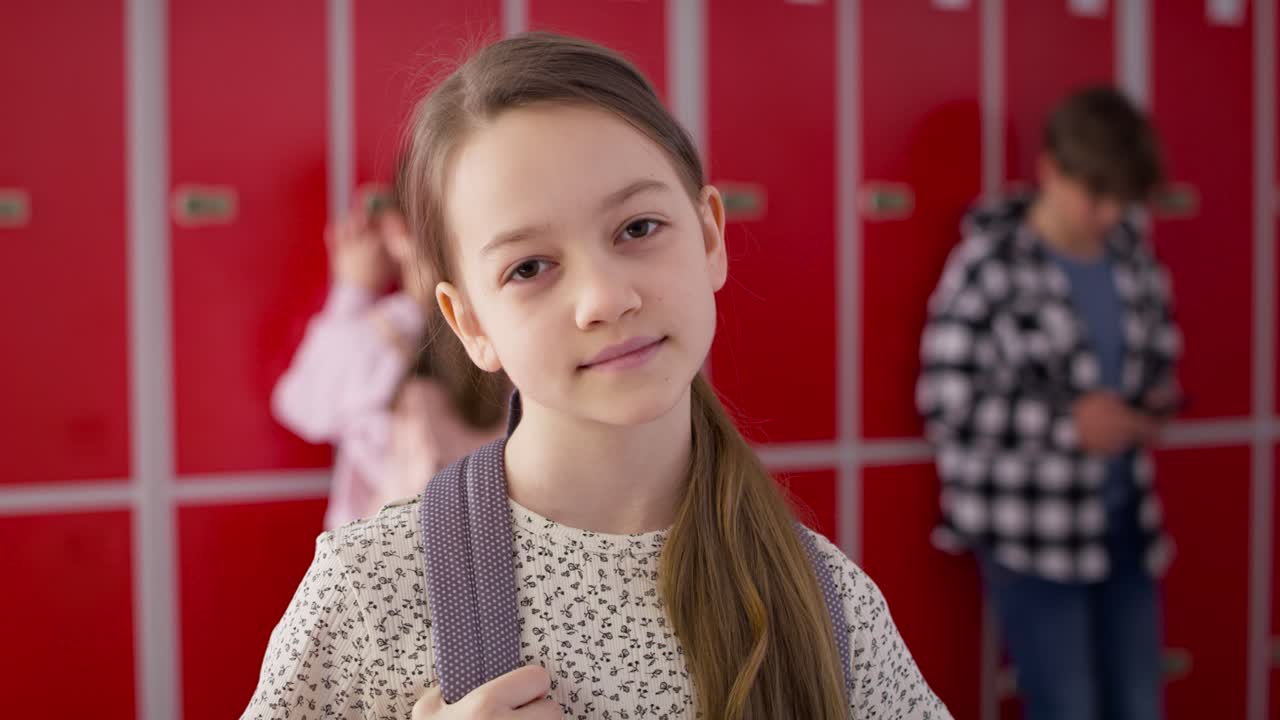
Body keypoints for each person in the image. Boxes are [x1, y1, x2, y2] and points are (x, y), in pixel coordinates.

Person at [244, 32, 949, 719]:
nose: (605, 299)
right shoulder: (372, 594)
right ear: (471, 324)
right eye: (529, 267)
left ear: (709, 236)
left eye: (637, 228)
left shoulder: (830, 604)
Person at [917, 86, 1182, 720]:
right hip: (1032, 534)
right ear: (1051, 171)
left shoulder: (1131, 258)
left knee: (1140, 703)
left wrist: (1151, 403)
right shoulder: (989, 264)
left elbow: (1158, 351)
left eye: (1123, 199)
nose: (1110, 214)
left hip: (1123, 523)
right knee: (1068, 706)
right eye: (1096, 195)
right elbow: (947, 401)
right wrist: (1069, 427)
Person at [272, 176, 506, 529]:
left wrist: (352, 290)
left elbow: (300, 405)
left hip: (387, 555)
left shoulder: (382, 334)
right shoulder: (503, 330)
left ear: (396, 230)